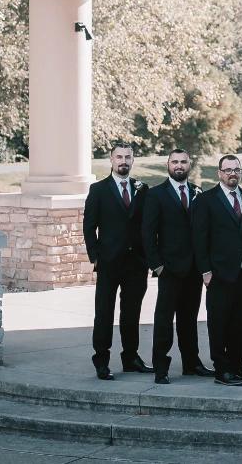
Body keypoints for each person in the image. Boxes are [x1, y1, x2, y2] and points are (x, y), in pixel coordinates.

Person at [142, 148, 212, 383]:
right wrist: (157, 265)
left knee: (189, 319)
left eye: (183, 162)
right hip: (169, 268)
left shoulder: (197, 192)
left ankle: (191, 364)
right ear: (168, 165)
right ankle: (161, 367)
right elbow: (147, 234)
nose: (179, 166)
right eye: (175, 162)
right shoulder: (156, 195)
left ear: (189, 165)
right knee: (164, 319)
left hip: (193, 269)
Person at [82, 141, 149, 380]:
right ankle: (101, 361)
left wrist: (148, 258)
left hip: (136, 264)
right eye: (119, 157)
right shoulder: (98, 190)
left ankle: (131, 357)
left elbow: (148, 227)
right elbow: (89, 227)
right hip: (109, 263)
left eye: (127, 157)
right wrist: (96, 258)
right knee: (104, 313)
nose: (123, 161)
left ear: (133, 160)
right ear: (111, 160)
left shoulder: (142, 189)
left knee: (132, 313)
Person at [192, 153, 242, 386]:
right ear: (219, 173)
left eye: (236, 170)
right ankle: (222, 369)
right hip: (218, 273)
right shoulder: (206, 200)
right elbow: (199, 238)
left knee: (240, 321)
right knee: (219, 322)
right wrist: (205, 271)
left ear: (240, 172)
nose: (232, 173)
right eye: (228, 169)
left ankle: (237, 365)